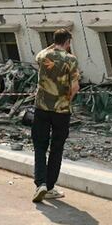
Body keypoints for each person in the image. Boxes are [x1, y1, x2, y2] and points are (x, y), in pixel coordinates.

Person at [31, 28, 80, 203]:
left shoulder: (43, 56)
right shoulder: (71, 59)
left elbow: (42, 52)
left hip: (42, 108)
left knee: (39, 145)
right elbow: (75, 87)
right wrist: (67, 99)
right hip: (61, 111)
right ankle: (50, 187)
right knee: (57, 148)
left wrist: (55, 44)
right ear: (68, 42)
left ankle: (41, 183)